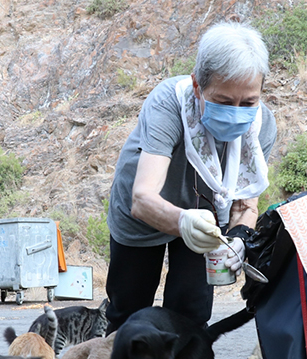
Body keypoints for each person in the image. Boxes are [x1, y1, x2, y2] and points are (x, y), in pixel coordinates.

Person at [105, 20, 277, 333]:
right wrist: (185, 222)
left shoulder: (262, 126)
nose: (238, 111)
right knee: (129, 313)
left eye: (249, 102)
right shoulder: (167, 104)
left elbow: (244, 205)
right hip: (145, 214)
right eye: (224, 101)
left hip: (207, 218)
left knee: (190, 314)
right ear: (198, 86)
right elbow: (143, 199)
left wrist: (239, 238)